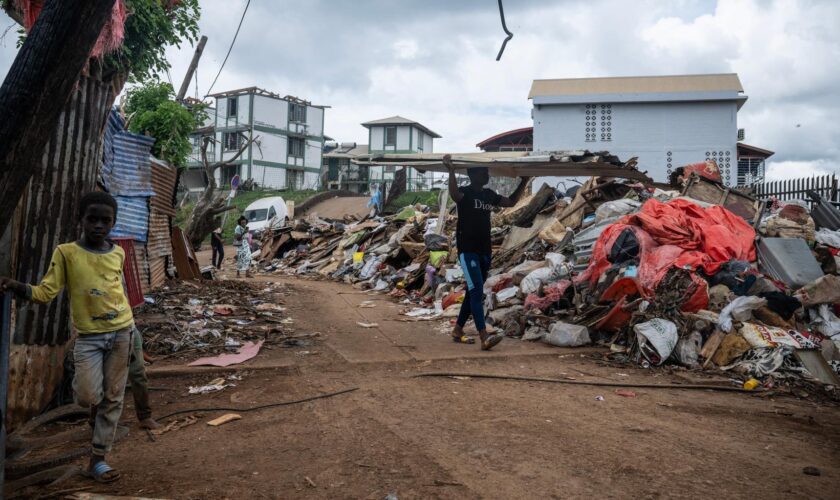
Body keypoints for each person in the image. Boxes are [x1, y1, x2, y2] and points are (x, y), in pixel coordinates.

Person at [0, 192, 133, 483]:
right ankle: (93, 415)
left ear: (113, 223)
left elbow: (117, 290)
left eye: (105, 220)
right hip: (89, 338)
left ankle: (98, 459)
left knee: (113, 399)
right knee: (87, 397)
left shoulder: (118, 252)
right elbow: (47, 292)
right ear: (81, 220)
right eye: (92, 219)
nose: (99, 225)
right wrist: (18, 286)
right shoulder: (66, 253)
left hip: (122, 332)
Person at [444, 154, 528, 350]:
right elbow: (454, 194)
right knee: (476, 292)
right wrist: (451, 171)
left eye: (487, 172)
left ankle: (457, 329)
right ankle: (484, 337)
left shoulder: (489, 195)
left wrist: (524, 180)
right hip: (468, 251)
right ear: (472, 175)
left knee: (473, 292)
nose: (486, 175)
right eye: (483, 172)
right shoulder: (464, 193)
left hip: (484, 251)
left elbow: (511, 202)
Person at [128, 325, 160, 430]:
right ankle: (96, 420)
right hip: (100, 331)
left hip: (127, 328)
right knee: (106, 379)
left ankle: (145, 417)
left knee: (138, 375)